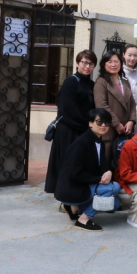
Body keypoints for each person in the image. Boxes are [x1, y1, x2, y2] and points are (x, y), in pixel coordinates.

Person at [54, 109, 121, 232]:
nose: (103, 125)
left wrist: (109, 172)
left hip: (83, 186)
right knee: (114, 188)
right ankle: (83, 219)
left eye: (107, 123)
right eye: (99, 122)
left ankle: (73, 207)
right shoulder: (81, 143)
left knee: (114, 203)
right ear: (90, 123)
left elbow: (102, 167)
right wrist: (99, 179)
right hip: (72, 188)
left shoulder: (99, 141)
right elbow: (74, 174)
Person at [45, 50, 97, 195]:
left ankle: (75, 196)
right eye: (84, 62)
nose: (87, 66)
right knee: (66, 165)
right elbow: (68, 110)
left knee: (79, 165)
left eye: (91, 63)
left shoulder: (91, 84)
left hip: (84, 131)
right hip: (69, 130)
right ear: (77, 63)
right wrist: (87, 126)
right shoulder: (70, 82)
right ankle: (64, 198)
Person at [93, 51, 137, 163]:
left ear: (121, 64)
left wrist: (131, 121)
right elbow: (101, 105)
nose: (113, 64)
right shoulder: (101, 82)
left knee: (124, 163)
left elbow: (132, 103)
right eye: (110, 62)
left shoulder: (125, 81)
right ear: (104, 64)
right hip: (109, 129)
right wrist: (116, 123)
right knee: (108, 162)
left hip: (126, 130)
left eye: (116, 61)